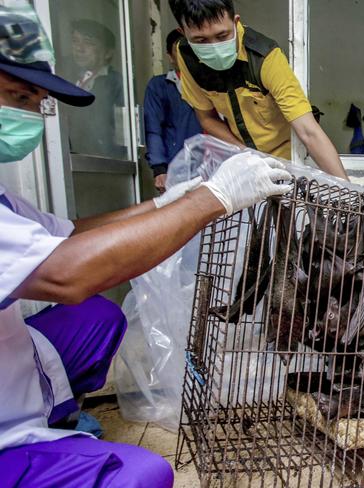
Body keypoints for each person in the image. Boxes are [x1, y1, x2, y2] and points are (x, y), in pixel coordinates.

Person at [0, 6, 291, 487]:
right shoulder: (171, 88)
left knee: (99, 317)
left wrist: (169, 204)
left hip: (12, 365)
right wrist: (210, 199)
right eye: (17, 96)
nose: (31, 115)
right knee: (142, 475)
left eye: (35, 101)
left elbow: (68, 232)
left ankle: (55, 416)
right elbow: (64, 274)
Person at [168, 0, 348, 179]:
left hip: (291, 160)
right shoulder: (186, 57)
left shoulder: (264, 57)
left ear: (235, 21)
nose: (214, 46)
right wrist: (246, 155)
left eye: (222, 36)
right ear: (183, 33)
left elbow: (309, 131)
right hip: (246, 161)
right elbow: (206, 118)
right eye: (201, 40)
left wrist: (349, 193)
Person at [144, 30, 203, 193]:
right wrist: (159, 169)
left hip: (213, 166)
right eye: (181, 51)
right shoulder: (160, 86)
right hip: (176, 168)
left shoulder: (215, 85)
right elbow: (153, 129)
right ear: (170, 56)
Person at [68, 19, 124, 159]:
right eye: (75, 41)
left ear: (108, 53)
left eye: (88, 43)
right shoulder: (67, 76)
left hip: (104, 161)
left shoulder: (115, 82)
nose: (79, 48)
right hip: (73, 158)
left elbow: (123, 131)